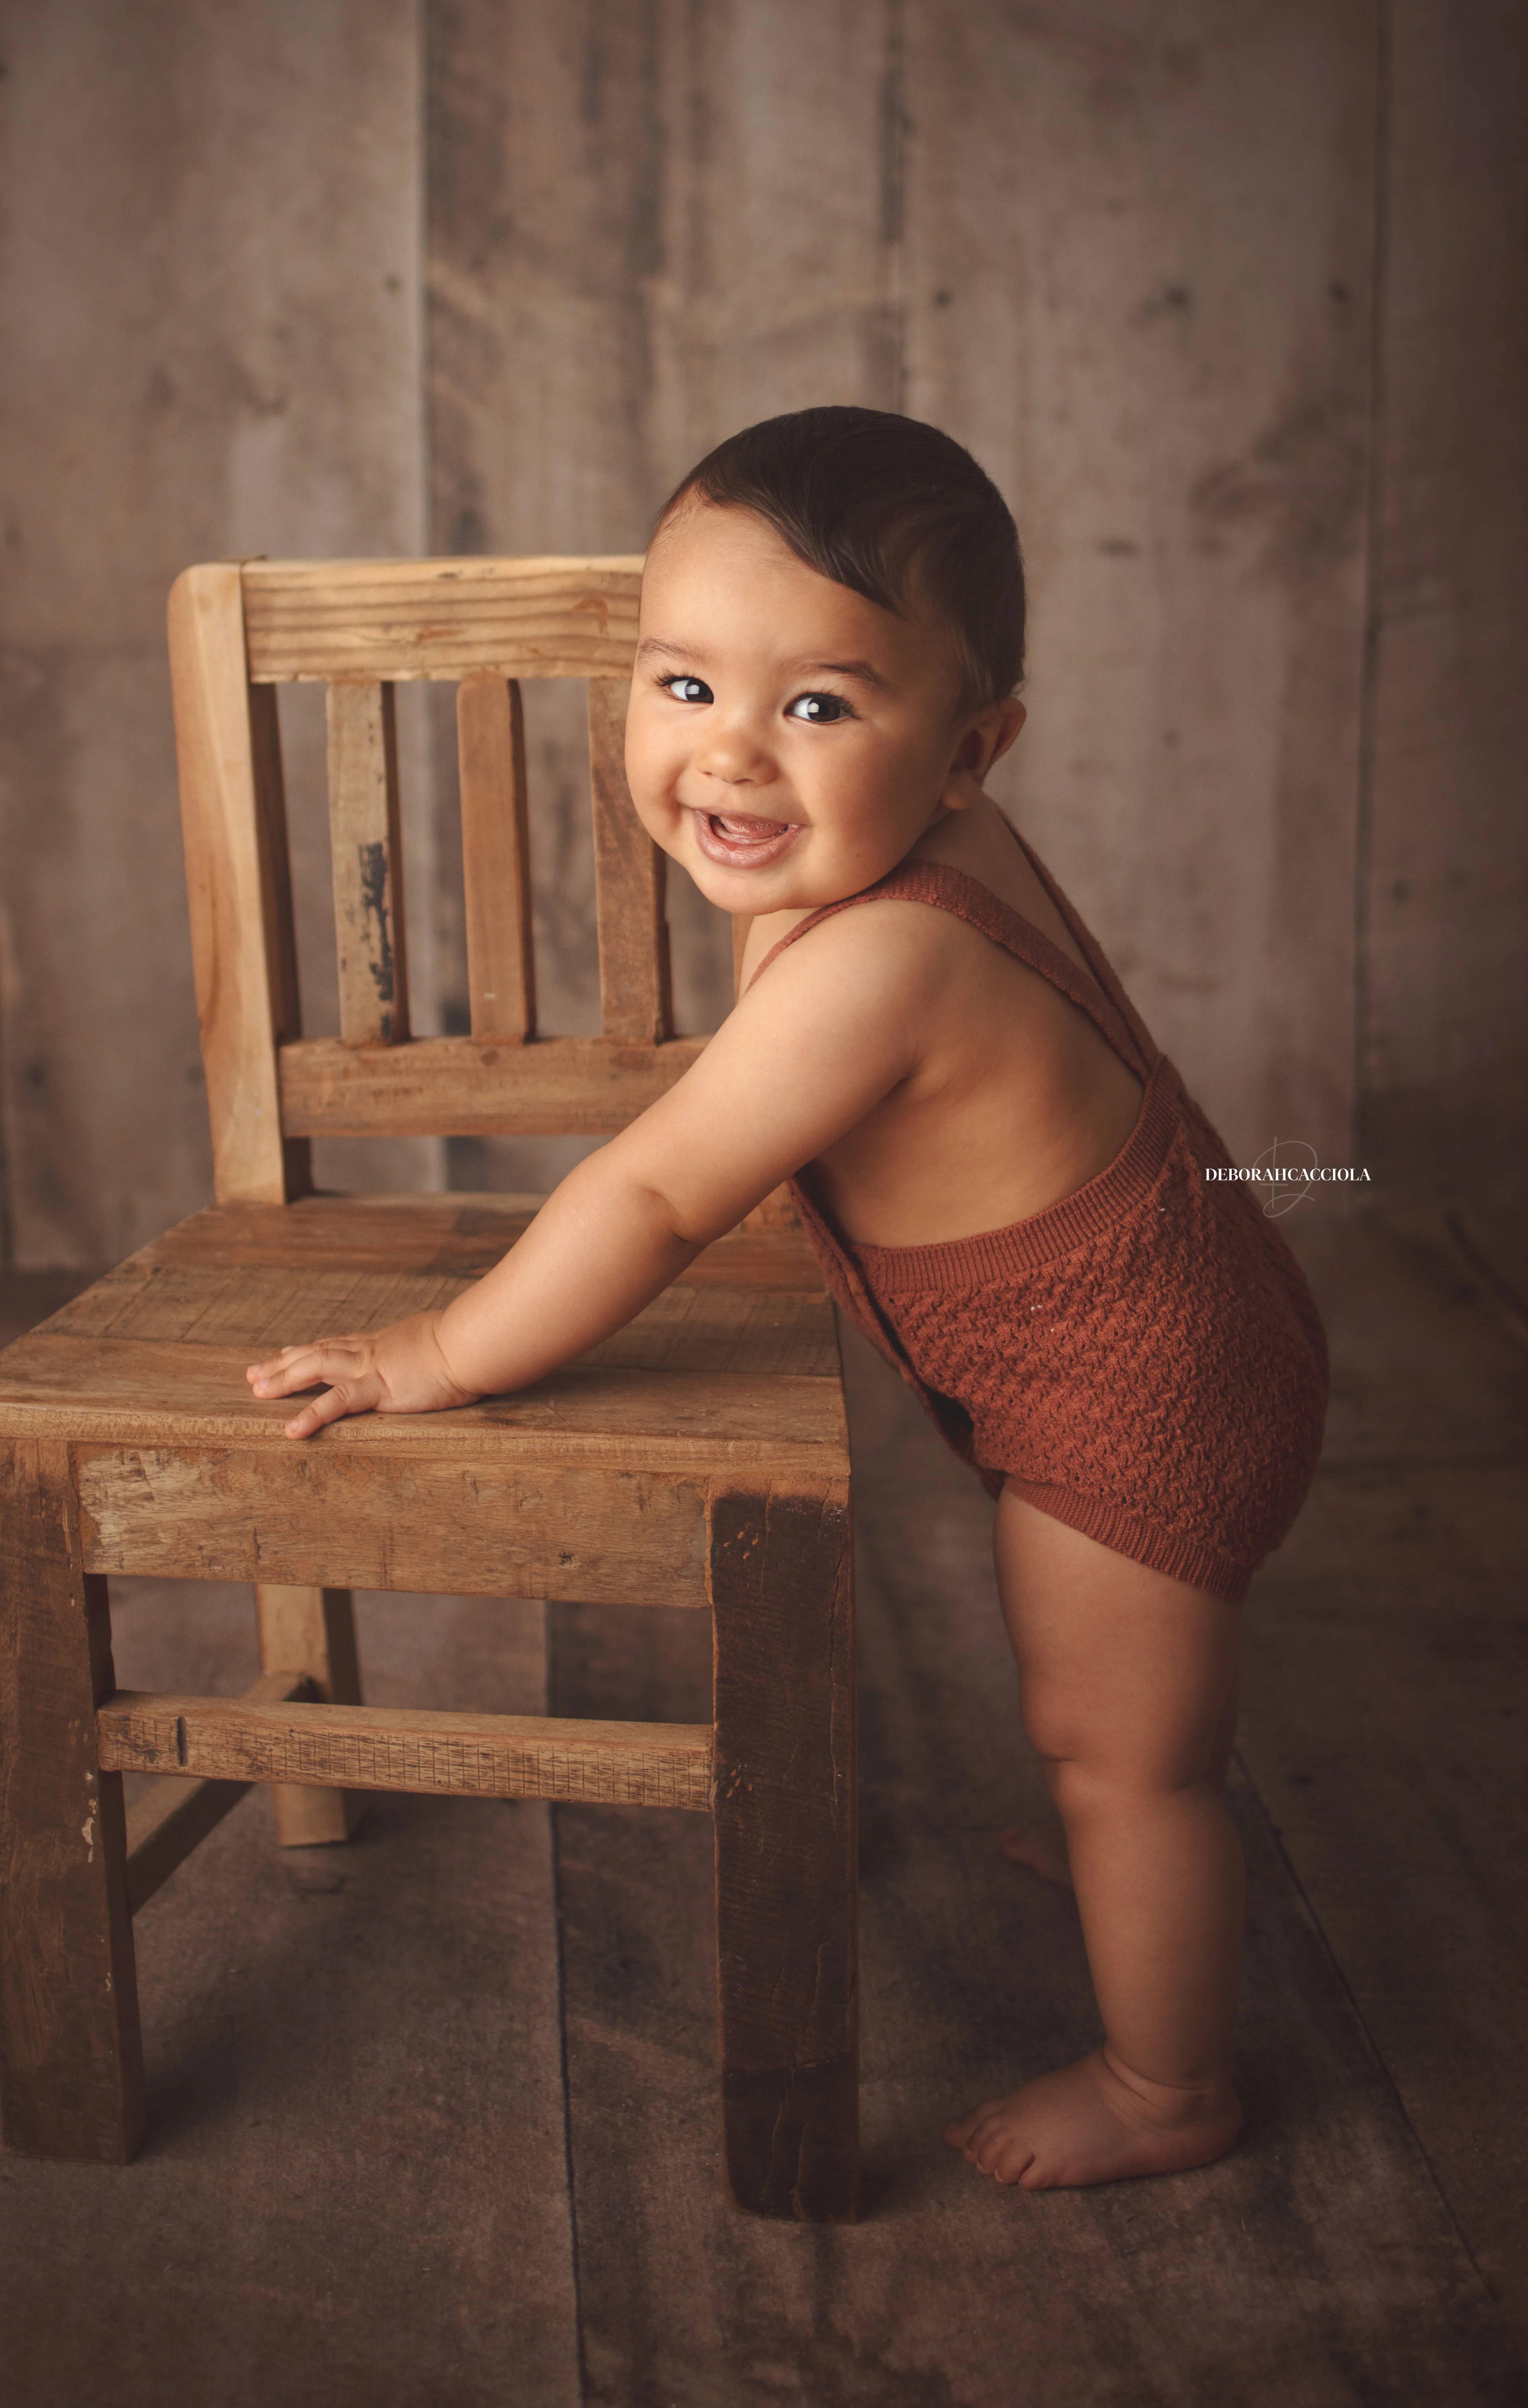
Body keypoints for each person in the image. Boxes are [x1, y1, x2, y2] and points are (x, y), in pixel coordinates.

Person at [247, 406, 1329, 2191]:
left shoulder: (883, 954)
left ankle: (1168, 2085)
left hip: (1145, 1397)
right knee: (1120, 1722)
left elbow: (660, 1187)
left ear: (971, 748)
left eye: (817, 707)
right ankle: (1126, 1808)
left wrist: (437, 1349)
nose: (731, 759)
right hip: (1154, 1307)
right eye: (681, 688)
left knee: (1117, 1757)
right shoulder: (905, 851)